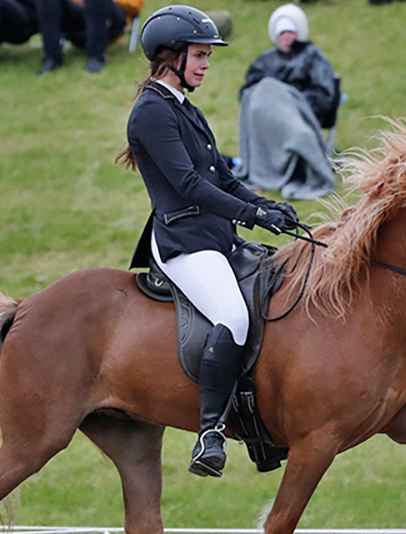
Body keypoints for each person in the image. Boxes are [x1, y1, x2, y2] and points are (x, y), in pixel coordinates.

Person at [119, 5, 297, 478]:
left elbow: (222, 178)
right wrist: (252, 215)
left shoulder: (186, 109)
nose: (205, 64)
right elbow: (189, 186)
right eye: (198, 55)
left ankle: (259, 427)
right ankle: (210, 433)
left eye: (206, 56)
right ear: (169, 57)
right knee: (233, 315)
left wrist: (268, 205)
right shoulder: (152, 113)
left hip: (216, 236)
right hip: (184, 241)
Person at [233, 3, 336, 200]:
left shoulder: (312, 57)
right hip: (266, 117)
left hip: (296, 113)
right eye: (282, 33)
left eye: (290, 32)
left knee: (300, 134)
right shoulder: (265, 60)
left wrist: (288, 102)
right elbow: (249, 93)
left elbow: (324, 94)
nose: (287, 38)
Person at [35, 0, 126, 75]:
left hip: (110, 14)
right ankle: (51, 58)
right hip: (79, 14)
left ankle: (96, 57)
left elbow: (133, 5)